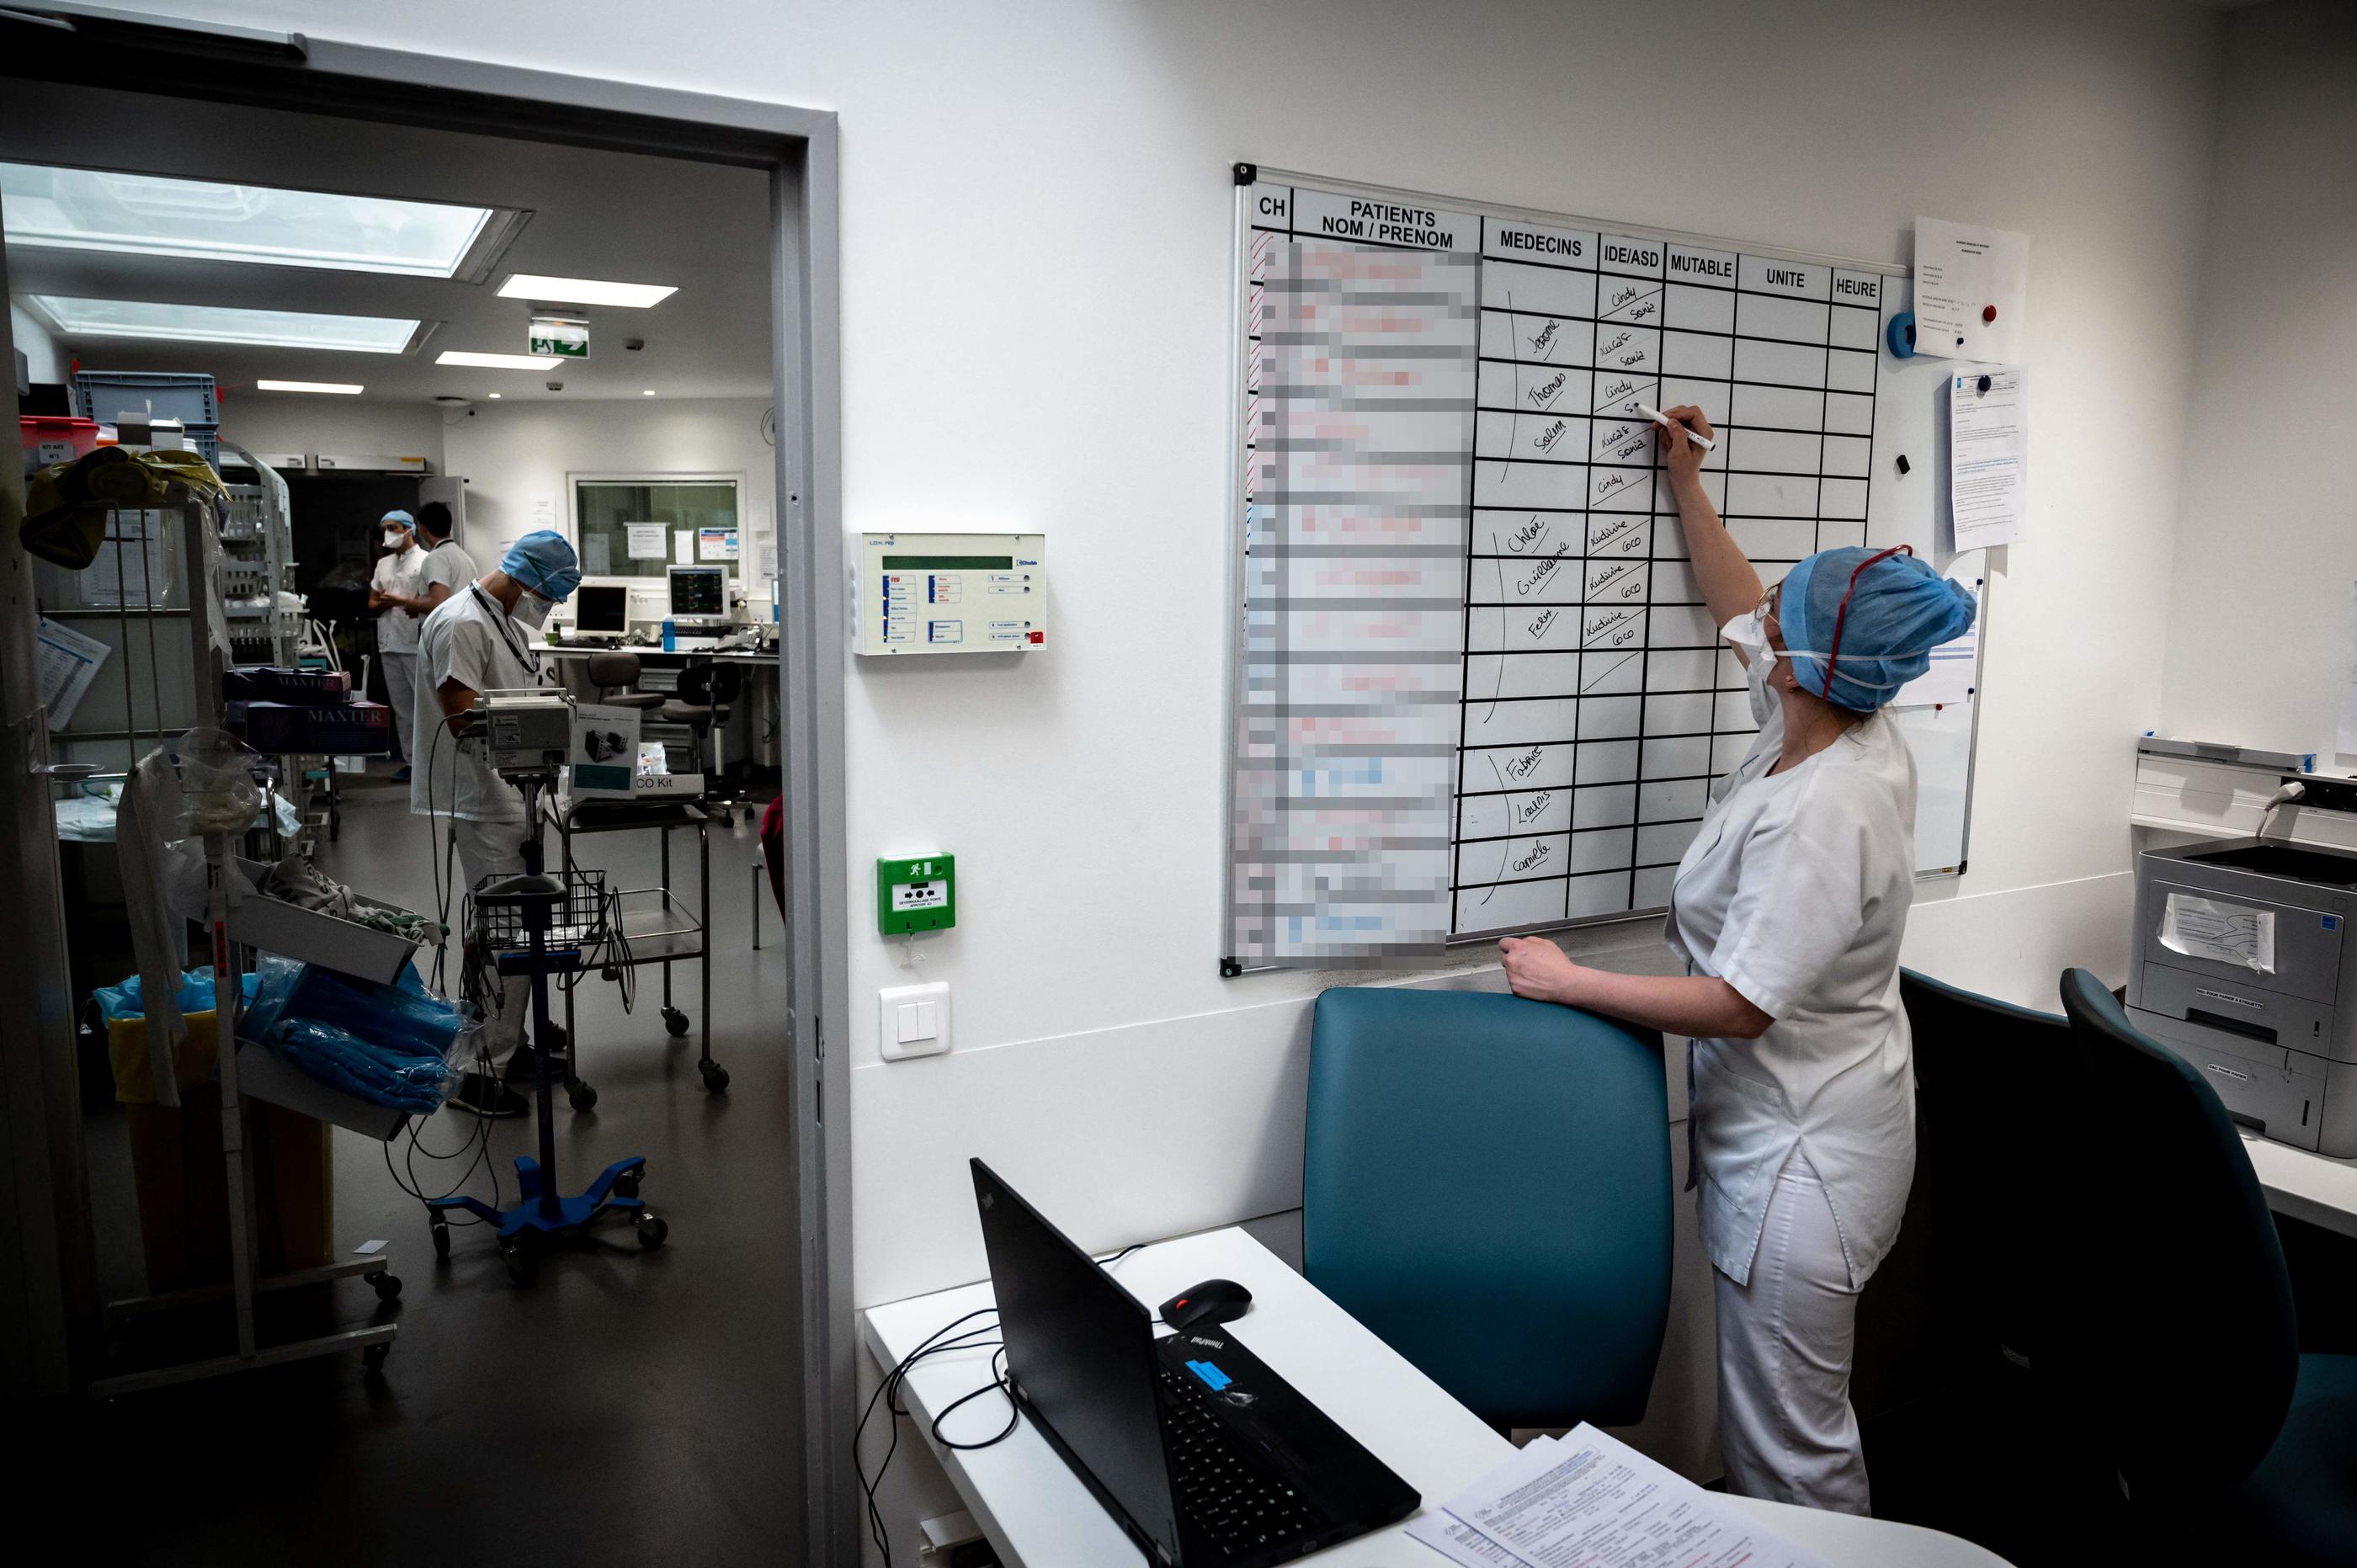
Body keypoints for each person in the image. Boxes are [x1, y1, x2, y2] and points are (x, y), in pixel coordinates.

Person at [1497, 406, 1975, 1516]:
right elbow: (1740, 600)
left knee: (1792, 1448)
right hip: (1802, 1110)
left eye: (1786, 609)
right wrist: (1686, 479)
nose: (1763, 614)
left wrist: (1569, 981)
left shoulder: (1834, 802)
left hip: (1806, 1152)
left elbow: (1740, 1001)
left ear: (1811, 657)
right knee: (1777, 1426)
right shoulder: (1821, 711)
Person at [411, 529, 582, 1118]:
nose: (549, 608)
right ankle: (477, 1069)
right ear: (528, 577)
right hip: (485, 800)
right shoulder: (460, 622)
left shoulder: (502, 621)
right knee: (504, 931)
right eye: (550, 596)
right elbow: (464, 720)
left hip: (515, 795)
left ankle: (513, 1044)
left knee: (515, 926)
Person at [367, 508, 429, 783]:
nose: (387, 534)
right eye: (384, 528)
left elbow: (432, 599)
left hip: (414, 642)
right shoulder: (383, 564)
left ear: (409, 528)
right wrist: (383, 602)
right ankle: (412, 763)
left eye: (392, 527)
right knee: (402, 709)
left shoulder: (427, 561)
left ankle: (431, 764)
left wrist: (401, 601)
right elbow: (371, 602)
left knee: (425, 705)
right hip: (389, 642)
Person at [412, 500, 477, 613]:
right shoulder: (464, 557)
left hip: (445, 628)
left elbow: (438, 603)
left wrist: (410, 604)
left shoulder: (436, 557)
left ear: (422, 529)